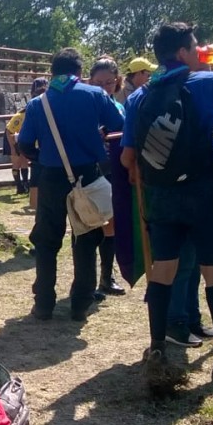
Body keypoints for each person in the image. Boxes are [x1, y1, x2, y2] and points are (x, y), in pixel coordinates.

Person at [120, 22, 213, 386]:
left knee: (163, 268)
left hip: (160, 197)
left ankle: (158, 346)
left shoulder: (138, 98)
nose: (197, 54)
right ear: (182, 52)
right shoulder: (208, 83)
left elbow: (128, 157)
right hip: (205, 192)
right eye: (193, 48)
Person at [18, 47, 125, 321]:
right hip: (88, 174)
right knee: (87, 237)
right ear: (79, 72)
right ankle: (80, 304)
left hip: (52, 176)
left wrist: (44, 158)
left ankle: (43, 303)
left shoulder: (37, 104)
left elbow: (25, 144)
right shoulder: (96, 95)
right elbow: (120, 126)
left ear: (52, 73)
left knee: (46, 239)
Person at [88, 56, 127, 298]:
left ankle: (106, 276)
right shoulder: (86, 109)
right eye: (99, 83)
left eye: (109, 83)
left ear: (118, 82)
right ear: (90, 82)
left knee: (111, 224)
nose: (104, 88)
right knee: (90, 223)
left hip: (114, 170)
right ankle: (87, 280)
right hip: (92, 170)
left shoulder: (121, 108)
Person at [5, 78, 48, 199]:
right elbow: (9, 130)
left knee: (24, 162)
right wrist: (13, 148)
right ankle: (18, 185)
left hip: (27, 141)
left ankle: (26, 184)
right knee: (16, 162)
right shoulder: (21, 115)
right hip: (15, 140)